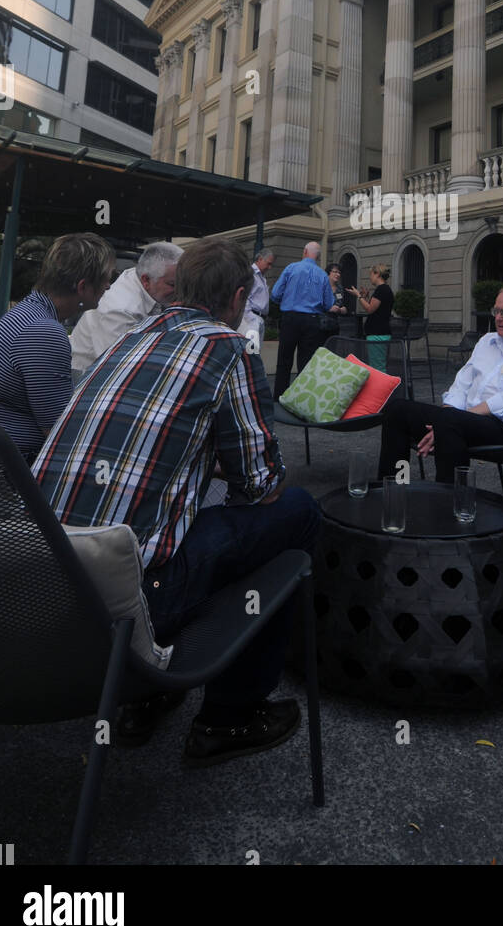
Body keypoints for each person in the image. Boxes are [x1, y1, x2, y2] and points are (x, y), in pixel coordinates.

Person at [34, 237, 321, 765]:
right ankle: (229, 718)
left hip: (36, 585)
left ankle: (148, 698)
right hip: (122, 608)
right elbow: (262, 486)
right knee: (293, 514)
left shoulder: (131, 336)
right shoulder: (229, 349)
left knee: (187, 519)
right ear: (238, 298)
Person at [378, 284, 503, 484]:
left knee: (450, 421)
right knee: (397, 410)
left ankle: (450, 505)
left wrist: (448, 419)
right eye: (496, 310)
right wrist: (445, 415)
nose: (498, 317)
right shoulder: (487, 341)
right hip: (460, 419)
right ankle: (391, 488)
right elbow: (462, 382)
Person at [0, 233, 114, 460]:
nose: (109, 286)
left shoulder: (27, 311)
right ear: (82, 287)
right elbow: (58, 430)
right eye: (106, 279)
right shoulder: (45, 332)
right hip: (3, 474)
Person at [70, 242, 183, 378]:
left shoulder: (144, 279)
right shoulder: (121, 310)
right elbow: (117, 368)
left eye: (183, 283)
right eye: (172, 285)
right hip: (90, 378)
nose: (180, 291)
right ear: (146, 280)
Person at [271, 242, 336, 398]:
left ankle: (279, 397)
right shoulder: (322, 275)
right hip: (312, 321)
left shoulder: (291, 268)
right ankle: (301, 398)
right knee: (306, 362)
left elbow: (275, 294)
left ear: (305, 251)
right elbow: (328, 304)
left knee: (284, 360)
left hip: (290, 318)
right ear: (318, 256)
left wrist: (288, 300)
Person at [348, 264, 394, 371]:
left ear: (377, 274)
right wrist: (366, 297)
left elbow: (369, 309)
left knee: (378, 367)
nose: (370, 277)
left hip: (377, 334)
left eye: (371, 274)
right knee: (379, 365)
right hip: (381, 333)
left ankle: (381, 387)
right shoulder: (385, 289)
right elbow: (376, 309)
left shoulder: (381, 290)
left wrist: (358, 296)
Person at [238, 247, 275, 347]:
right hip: (252, 319)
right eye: (268, 263)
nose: (269, 267)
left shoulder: (261, 277)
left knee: (254, 354)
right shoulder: (251, 274)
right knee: (250, 353)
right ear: (260, 259)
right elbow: (244, 297)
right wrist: (251, 318)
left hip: (258, 318)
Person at [321, 262, 348, 339]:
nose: (338, 274)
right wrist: (329, 309)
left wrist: (343, 310)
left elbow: (341, 304)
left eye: (339, 272)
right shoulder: (321, 287)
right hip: (321, 325)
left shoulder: (340, 288)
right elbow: (314, 304)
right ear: (328, 273)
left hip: (334, 326)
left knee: (332, 349)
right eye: (335, 272)